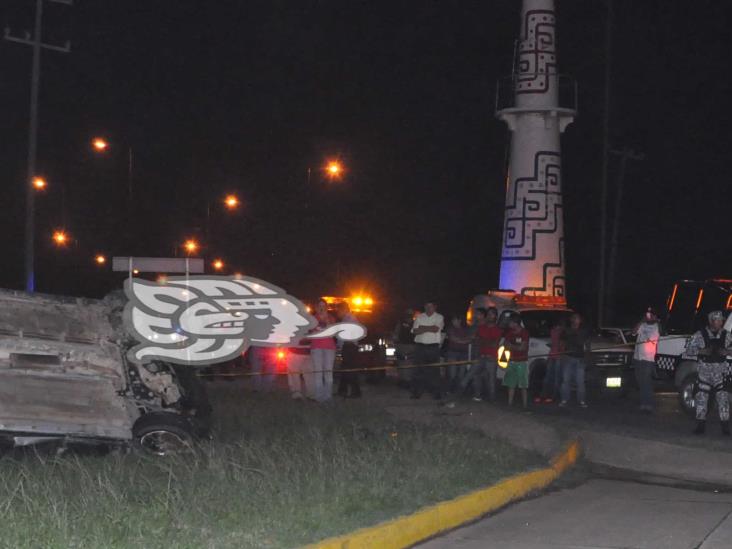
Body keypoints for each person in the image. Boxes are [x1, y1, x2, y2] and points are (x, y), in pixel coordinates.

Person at [685, 311, 732, 435]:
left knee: (723, 399)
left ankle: (725, 427)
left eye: (722, 320)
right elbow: (689, 350)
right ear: (711, 321)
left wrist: (727, 352)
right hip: (704, 372)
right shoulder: (700, 335)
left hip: (720, 372)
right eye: (718, 320)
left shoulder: (727, 335)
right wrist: (702, 351)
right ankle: (700, 425)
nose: (721, 322)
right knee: (702, 398)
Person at [463, 307, 502, 401]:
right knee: (472, 374)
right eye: (488, 314)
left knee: (491, 380)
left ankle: (492, 399)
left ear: (496, 316)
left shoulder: (497, 329)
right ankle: (475, 394)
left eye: (492, 314)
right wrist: (486, 341)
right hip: (481, 356)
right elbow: (478, 340)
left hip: (491, 357)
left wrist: (483, 340)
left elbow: (494, 344)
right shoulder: (481, 327)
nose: (489, 316)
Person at [410, 301, 444, 399]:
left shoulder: (439, 317)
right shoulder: (420, 316)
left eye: (431, 306)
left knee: (434, 371)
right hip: (420, 346)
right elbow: (415, 331)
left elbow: (435, 329)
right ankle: (417, 392)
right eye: (426, 306)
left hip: (433, 347)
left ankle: (436, 392)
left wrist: (422, 328)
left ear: (435, 307)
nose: (428, 308)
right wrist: (429, 328)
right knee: (418, 370)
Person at [632, 307, 660, 413]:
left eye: (651, 315)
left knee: (646, 381)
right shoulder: (643, 325)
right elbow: (633, 332)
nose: (648, 316)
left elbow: (652, 339)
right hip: (638, 357)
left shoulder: (656, 327)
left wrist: (652, 322)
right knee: (640, 381)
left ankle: (649, 404)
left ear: (655, 316)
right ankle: (643, 403)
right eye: (647, 314)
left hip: (648, 359)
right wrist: (641, 321)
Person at [559, 313, 591, 408]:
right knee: (566, 380)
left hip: (580, 358)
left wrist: (587, 356)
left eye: (577, 318)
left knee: (580, 381)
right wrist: (562, 352)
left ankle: (581, 400)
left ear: (580, 320)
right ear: (571, 320)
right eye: (574, 318)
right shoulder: (566, 330)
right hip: (568, 357)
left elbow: (588, 344)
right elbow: (561, 342)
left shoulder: (584, 331)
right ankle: (564, 399)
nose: (575, 320)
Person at [309, 299, 337, 402]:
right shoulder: (312, 318)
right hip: (316, 347)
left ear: (326, 307)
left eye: (323, 306)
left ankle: (328, 396)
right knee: (318, 372)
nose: (321, 308)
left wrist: (327, 318)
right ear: (316, 307)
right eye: (319, 306)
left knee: (328, 372)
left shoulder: (331, 318)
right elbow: (311, 330)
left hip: (329, 347)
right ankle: (319, 397)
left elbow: (333, 332)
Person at [502, 313, 530, 408]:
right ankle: (509, 404)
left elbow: (522, 348)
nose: (508, 324)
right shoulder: (509, 333)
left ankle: (525, 405)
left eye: (510, 322)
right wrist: (515, 347)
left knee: (523, 385)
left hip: (522, 362)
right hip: (512, 361)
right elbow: (505, 345)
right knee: (511, 384)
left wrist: (511, 346)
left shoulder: (524, 333)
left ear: (515, 323)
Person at [336, 301, 361, 398]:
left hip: (349, 347)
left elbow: (344, 335)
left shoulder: (349, 320)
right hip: (350, 347)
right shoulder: (348, 319)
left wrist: (340, 346)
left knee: (350, 370)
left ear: (343, 309)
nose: (337, 313)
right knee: (346, 369)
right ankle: (343, 390)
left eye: (338, 310)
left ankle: (355, 392)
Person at [537, 318, 564, 403]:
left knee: (556, 377)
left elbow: (562, 345)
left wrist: (558, 348)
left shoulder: (563, 332)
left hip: (559, 356)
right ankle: (544, 394)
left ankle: (554, 396)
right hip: (552, 354)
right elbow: (553, 343)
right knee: (548, 376)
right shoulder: (553, 331)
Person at [445, 314, 473, 393]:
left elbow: (470, 339)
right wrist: (463, 340)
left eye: (455, 320)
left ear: (459, 320)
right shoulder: (450, 329)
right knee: (452, 373)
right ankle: (449, 390)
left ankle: (458, 391)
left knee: (461, 374)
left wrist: (460, 340)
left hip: (463, 353)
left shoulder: (466, 329)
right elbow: (453, 338)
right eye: (453, 321)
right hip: (452, 352)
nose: (454, 322)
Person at [393, 308, 417, 389]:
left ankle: (408, 381)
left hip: (411, 346)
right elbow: (396, 333)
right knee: (401, 363)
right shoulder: (401, 323)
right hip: (401, 345)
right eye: (408, 313)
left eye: (410, 314)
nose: (409, 316)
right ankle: (402, 380)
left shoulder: (415, 323)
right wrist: (396, 342)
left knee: (409, 364)